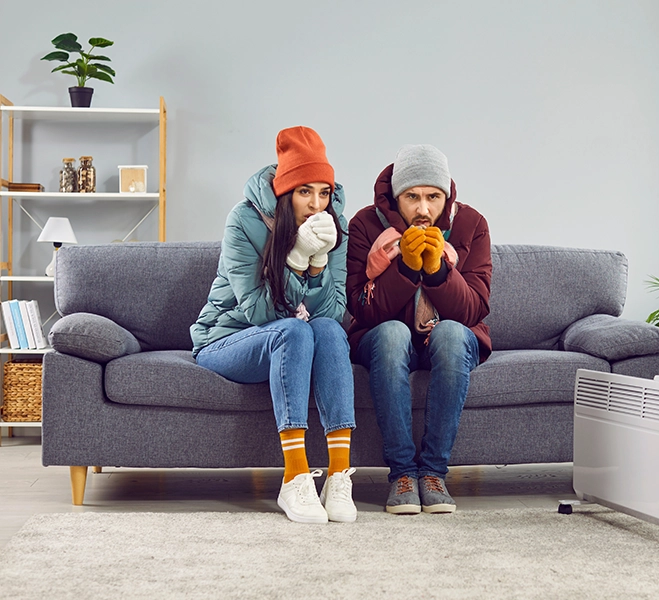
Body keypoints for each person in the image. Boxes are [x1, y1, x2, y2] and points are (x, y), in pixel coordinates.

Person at [191, 126, 356, 524]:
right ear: (285, 192)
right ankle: (295, 476)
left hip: (292, 336)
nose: (317, 205)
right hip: (225, 340)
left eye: (324, 192)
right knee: (295, 330)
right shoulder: (243, 221)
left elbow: (332, 312)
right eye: (305, 192)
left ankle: (338, 475)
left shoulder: (335, 225)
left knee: (330, 332)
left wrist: (319, 263)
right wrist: (297, 257)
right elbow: (260, 312)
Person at [346, 144, 492, 515]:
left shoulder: (471, 225)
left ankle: (432, 473)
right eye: (412, 197)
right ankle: (403, 475)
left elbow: (473, 308)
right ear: (396, 197)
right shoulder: (365, 225)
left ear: (447, 195)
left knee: (453, 333)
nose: (423, 210)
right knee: (393, 333)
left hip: (448, 339)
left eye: (432, 197)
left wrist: (439, 271)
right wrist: (407, 269)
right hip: (384, 339)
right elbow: (362, 311)